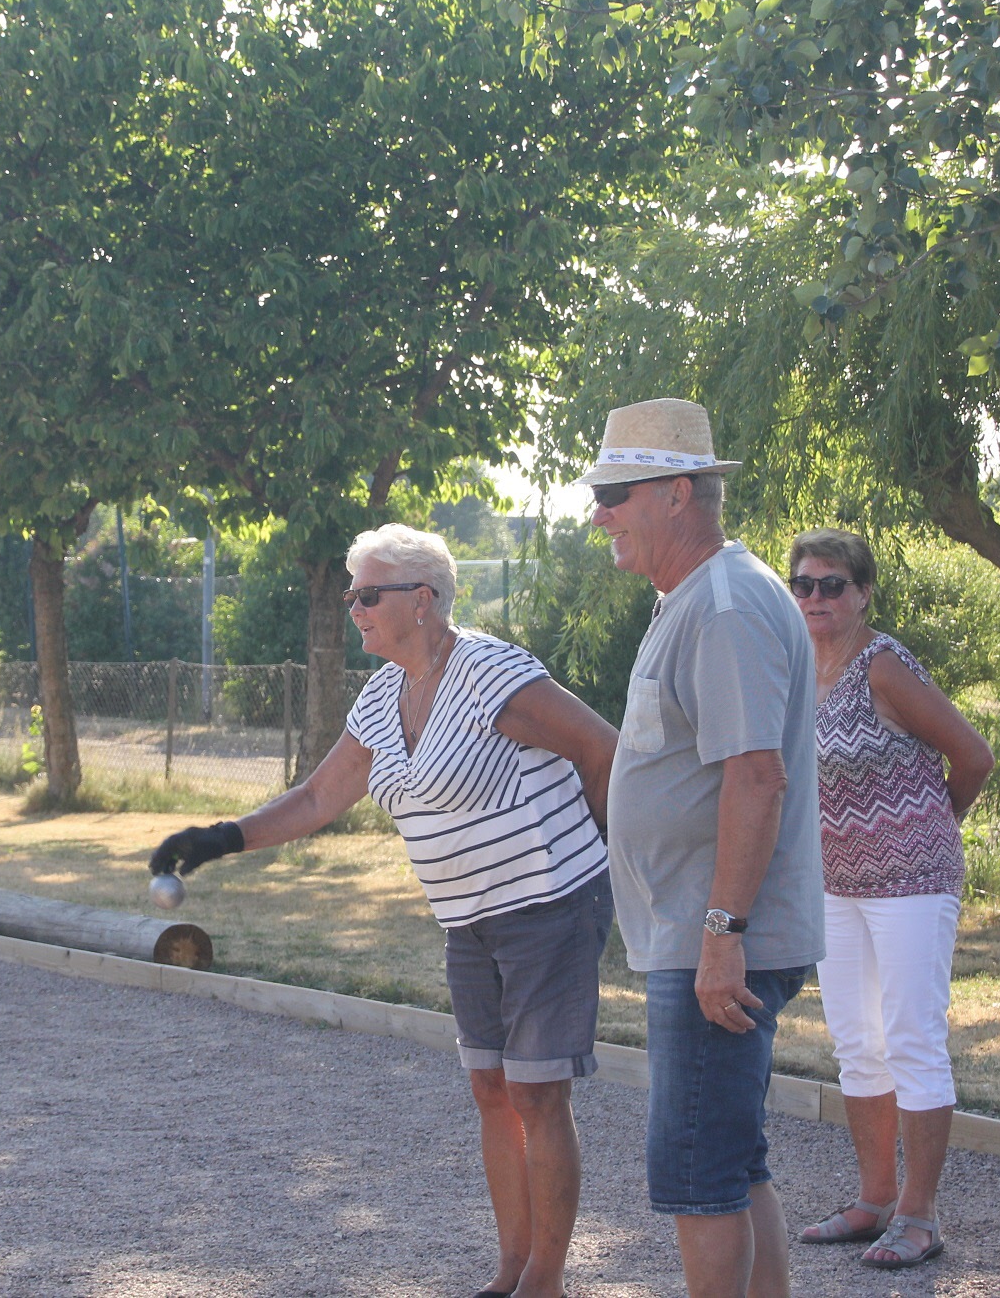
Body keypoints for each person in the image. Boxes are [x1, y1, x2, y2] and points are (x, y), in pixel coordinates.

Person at [149, 523, 617, 1298]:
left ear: (421, 600)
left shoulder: (490, 672)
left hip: (547, 905)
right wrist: (220, 837)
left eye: (367, 594)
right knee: (491, 1088)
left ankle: (545, 1278)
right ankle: (510, 1267)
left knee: (538, 1091)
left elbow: (601, 748)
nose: (354, 608)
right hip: (466, 917)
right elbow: (317, 797)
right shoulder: (382, 696)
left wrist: (596, 859)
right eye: (350, 595)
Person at [582, 398, 824, 1298]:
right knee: (731, 1158)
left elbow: (756, 778)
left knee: (697, 1167)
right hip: (704, 934)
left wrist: (723, 935)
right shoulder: (700, 598)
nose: (599, 513)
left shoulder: (723, 606)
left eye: (616, 493)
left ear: (678, 493)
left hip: (714, 939)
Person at [786, 528, 993, 1271]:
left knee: (912, 1039)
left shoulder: (883, 665)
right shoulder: (797, 665)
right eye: (803, 584)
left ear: (864, 592)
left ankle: (919, 1215)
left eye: (832, 584)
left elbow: (973, 756)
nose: (815, 597)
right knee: (856, 1043)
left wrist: (928, 825)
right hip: (835, 884)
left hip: (911, 882)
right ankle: (874, 1199)